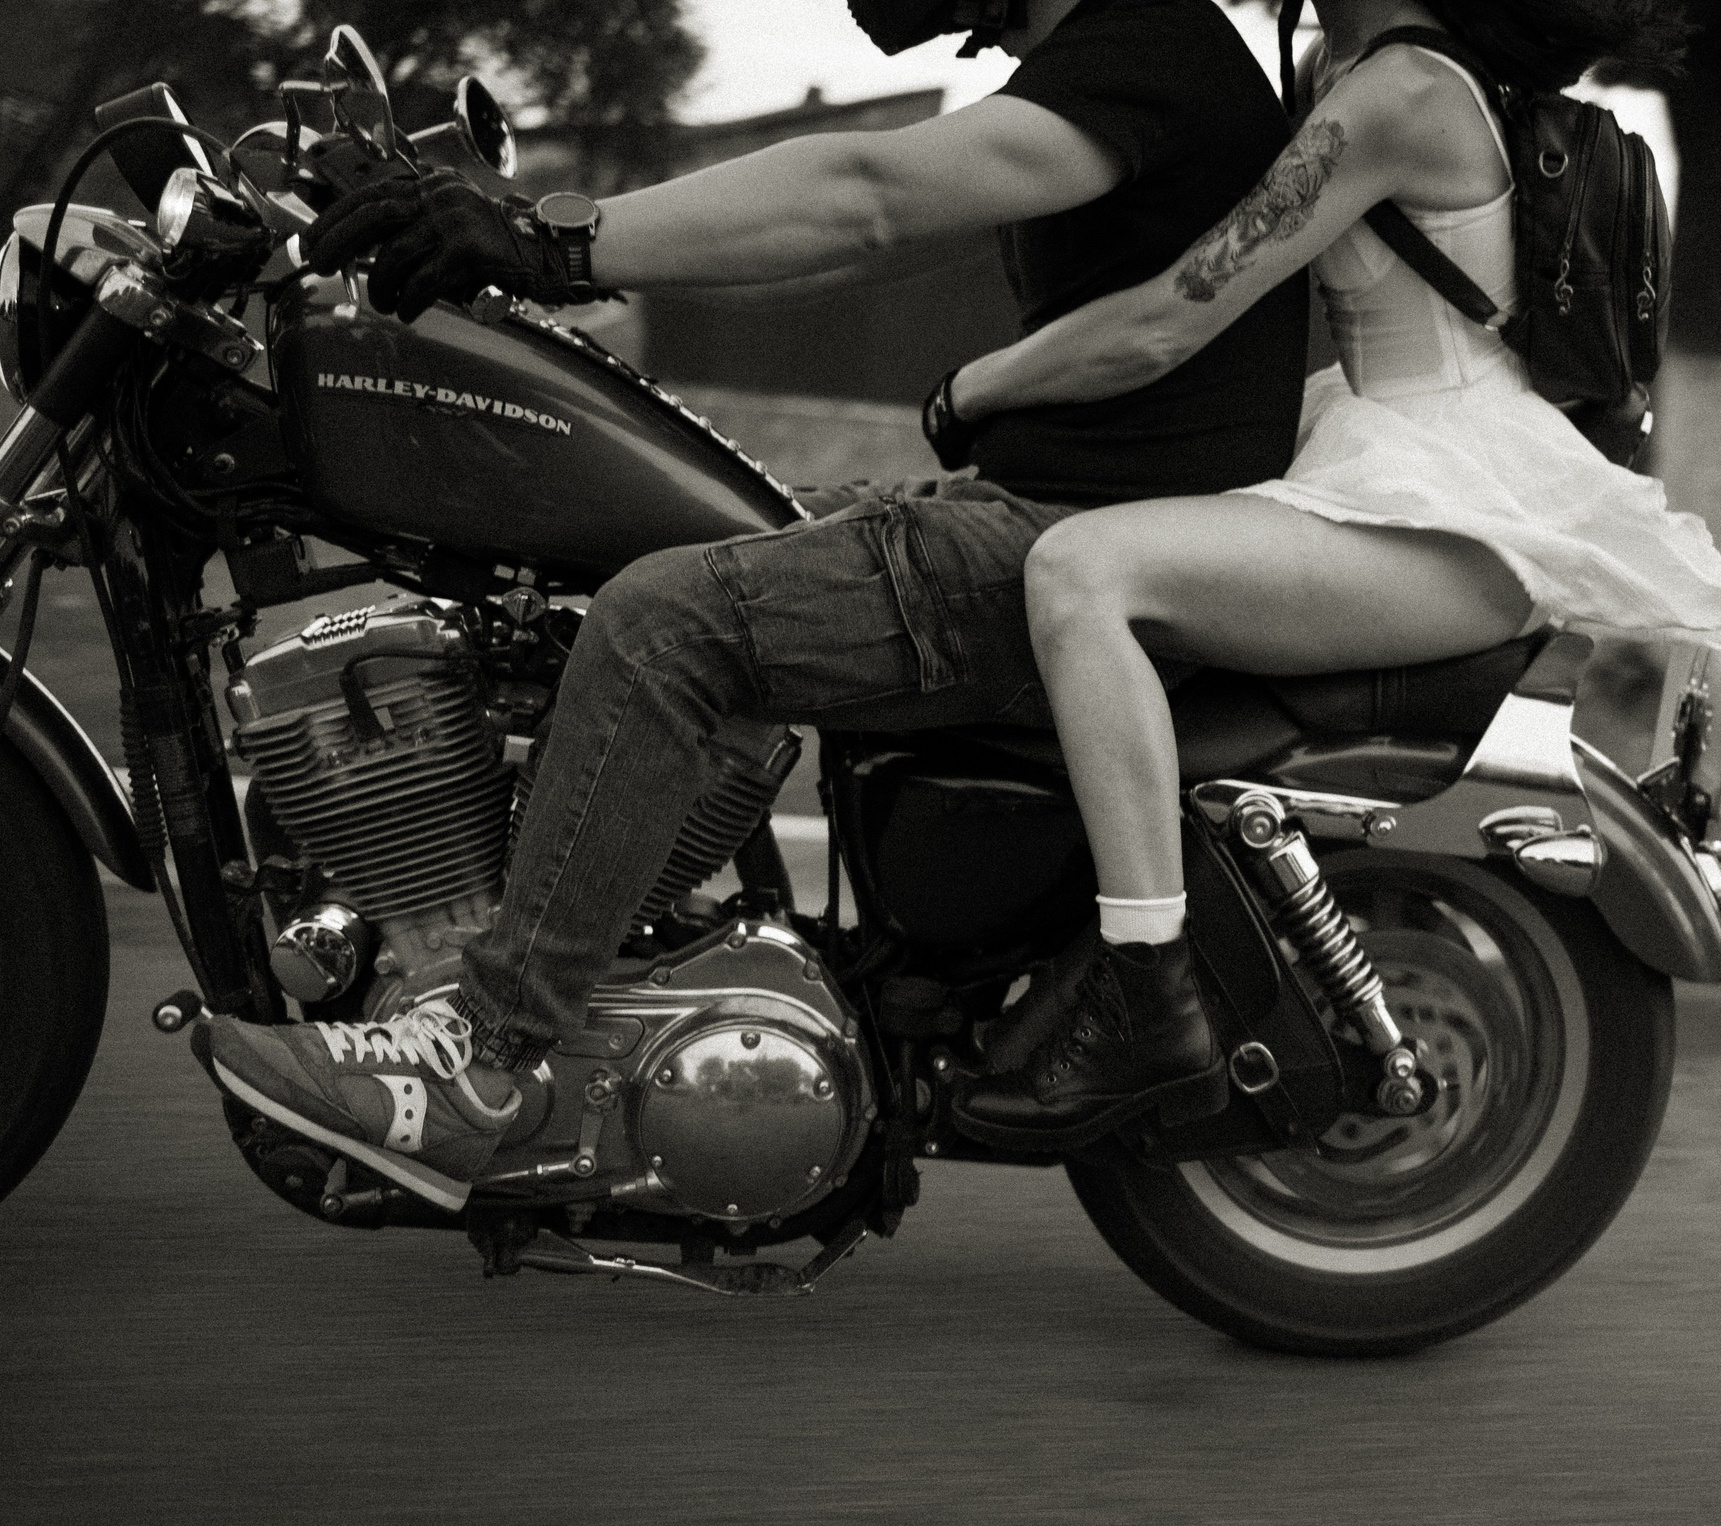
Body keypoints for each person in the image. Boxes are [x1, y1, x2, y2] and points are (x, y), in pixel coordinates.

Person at [195, 0, 1312, 1213]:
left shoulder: (1150, 50)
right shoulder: (1119, 58)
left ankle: (481, 1066)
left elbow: (865, 192)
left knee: (662, 621)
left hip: (1064, 541)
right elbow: (872, 231)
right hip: (1040, 505)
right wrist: (535, 252)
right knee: (663, 528)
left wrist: (555, 239)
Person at [942, 0, 1721, 1149]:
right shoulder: (1344, 68)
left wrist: (974, 390)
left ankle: (1145, 991)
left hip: (1453, 510)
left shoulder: (1397, 95)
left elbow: (1170, 320)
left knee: (1083, 573)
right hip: (1387, 456)